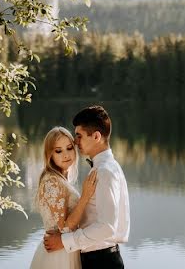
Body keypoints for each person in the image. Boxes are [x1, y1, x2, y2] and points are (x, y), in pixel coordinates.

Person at [44, 106, 130, 269]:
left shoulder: (104, 172)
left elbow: (107, 227)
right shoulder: (107, 167)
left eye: (79, 136)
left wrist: (64, 241)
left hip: (101, 261)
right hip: (100, 258)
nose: (75, 142)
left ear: (96, 136)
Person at [29, 126, 99, 269]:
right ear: (50, 154)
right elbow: (65, 228)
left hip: (68, 249)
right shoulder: (52, 181)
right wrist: (85, 197)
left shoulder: (61, 179)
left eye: (69, 148)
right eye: (58, 151)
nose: (66, 155)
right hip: (59, 255)